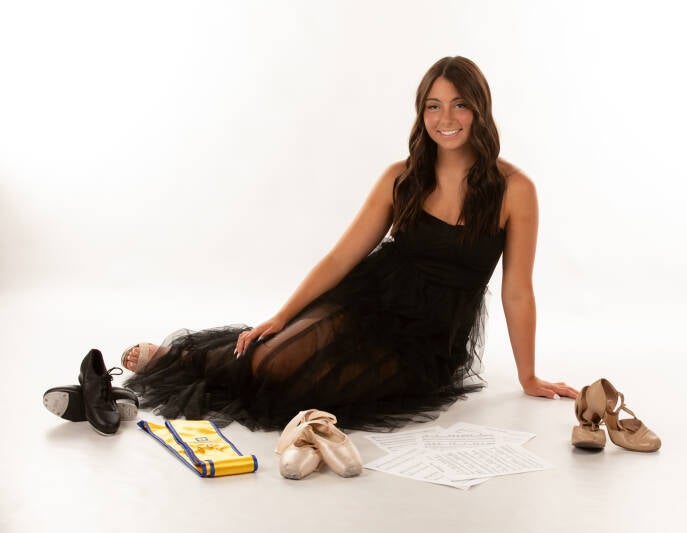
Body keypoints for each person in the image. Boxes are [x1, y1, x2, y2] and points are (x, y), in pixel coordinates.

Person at [123, 56, 579, 432]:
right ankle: (184, 358)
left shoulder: (515, 190)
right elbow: (342, 257)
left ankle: (204, 362)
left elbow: (517, 291)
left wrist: (528, 376)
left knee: (305, 386)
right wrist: (283, 314)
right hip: (371, 300)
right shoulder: (400, 178)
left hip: (429, 340)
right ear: (421, 113)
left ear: (480, 109)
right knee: (272, 359)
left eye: (460, 105)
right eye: (433, 106)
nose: (446, 119)